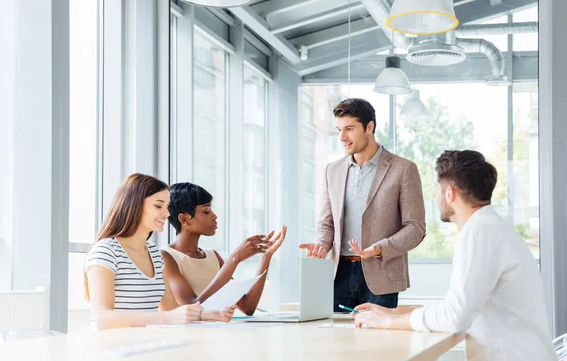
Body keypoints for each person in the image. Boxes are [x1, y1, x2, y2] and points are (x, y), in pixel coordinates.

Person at [353, 150, 556, 361]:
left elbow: (454, 318)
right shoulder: (491, 228)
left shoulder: (479, 233)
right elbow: (458, 306)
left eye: (437, 189)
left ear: (449, 193)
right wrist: (392, 313)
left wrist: (387, 323)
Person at [299, 98, 426, 312]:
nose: (342, 137)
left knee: (377, 343)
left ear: (369, 127)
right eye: (339, 129)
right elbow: (326, 222)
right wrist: (321, 244)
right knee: (335, 343)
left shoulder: (403, 169)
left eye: (349, 129)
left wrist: (379, 249)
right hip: (338, 274)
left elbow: (416, 228)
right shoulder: (333, 170)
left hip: (381, 275)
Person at [84, 173, 234, 330]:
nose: (167, 213)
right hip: (110, 349)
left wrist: (207, 315)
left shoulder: (154, 253)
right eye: (158, 206)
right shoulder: (106, 251)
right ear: (134, 204)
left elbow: (170, 309)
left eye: (167, 207)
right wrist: (165, 318)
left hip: (143, 345)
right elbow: (103, 318)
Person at [162, 182, 287, 315]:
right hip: (188, 335)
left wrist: (266, 257)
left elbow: (247, 307)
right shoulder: (166, 256)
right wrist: (235, 258)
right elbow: (193, 308)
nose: (214, 216)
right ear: (184, 219)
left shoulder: (212, 256)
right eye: (206, 211)